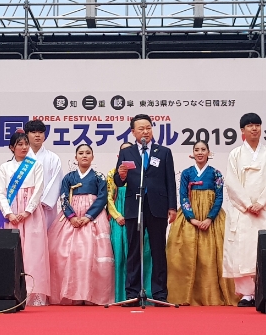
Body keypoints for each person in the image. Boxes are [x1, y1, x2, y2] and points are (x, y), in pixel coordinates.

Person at [114, 114, 177, 306]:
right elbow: (118, 181)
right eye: (141, 129)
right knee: (134, 251)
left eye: (148, 128)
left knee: (158, 251)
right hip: (135, 206)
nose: (145, 132)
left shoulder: (163, 152)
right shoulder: (127, 153)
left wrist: (172, 207)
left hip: (157, 207)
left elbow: (170, 181)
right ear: (133, 132)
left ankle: (159, 295)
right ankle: (132, 294)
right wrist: (121, 176)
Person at [223, 113, 266, 307]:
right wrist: (248, 204)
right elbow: (231, 183)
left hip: (265, 210)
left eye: (257, 125)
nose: (254, 129)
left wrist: (261, 203)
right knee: (242, 250)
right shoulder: (235, 154)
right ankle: (246, 294)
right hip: (244, 210)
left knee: (265, 249)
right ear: (242, 130)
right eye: (250, 126)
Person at [167, 141, 237, 306]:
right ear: (192, 153)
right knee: (185, 254)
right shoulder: (186, 173)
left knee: (215, 255)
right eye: (196, 150)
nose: (200, 152)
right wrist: (191, 218)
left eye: (203, 149)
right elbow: (183, 196)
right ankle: (185, 296)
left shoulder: (216, 174)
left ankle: (214, 294)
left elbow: (219, 197)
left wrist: (209, 218)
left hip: (211, 217)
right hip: (189, 216)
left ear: (208, 152)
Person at [48, 144, 114, 305]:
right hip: (71, 217)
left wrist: (88, 216)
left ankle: (91, 295)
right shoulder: (69, 177)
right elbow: (63, 197)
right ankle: (70, 295)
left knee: (91, 255)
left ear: (93, 157)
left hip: (93, 217)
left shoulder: (99, 177)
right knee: (63, 253)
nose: (84, 156)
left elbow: (102, 198)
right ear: (75, 157)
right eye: (81, 153)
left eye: (88, 153)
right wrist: (71, 217)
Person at [0, 132, 50, 306]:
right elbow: (1, 192)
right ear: (12, 147)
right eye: (19, 144)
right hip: (12, 213)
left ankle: (33, 294)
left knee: (34, 253)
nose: (24, 147)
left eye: (26, 144)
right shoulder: (5, 167)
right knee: (13, 253)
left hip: (31, 214)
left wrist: (27, 211)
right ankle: (11, 291)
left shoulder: (35, 165)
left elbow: (39, 189)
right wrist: (9, 213)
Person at [107, 142, 152, 302]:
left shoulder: (142, 173)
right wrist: (117, 215)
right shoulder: (113, 173)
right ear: (119, 156)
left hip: (139, 217)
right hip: (120, 219)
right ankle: (124, 295)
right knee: (122, 256)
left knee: (144, 254)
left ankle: (146, 293)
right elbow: (109, 197)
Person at [24, 120, 63, 229]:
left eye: (40, 132)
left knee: (46, 235)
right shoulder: (20, 158)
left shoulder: (53, 158)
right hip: (24, 205)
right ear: (26, 134)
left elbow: (57, 182)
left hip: (45, 206)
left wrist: (42, 202)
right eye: (33, 132)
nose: (37, 135)